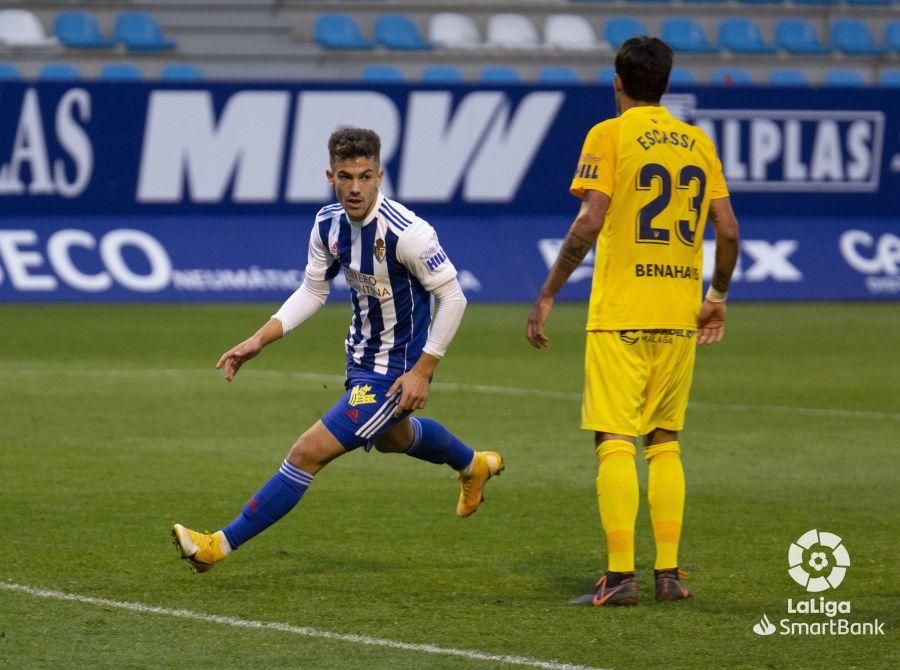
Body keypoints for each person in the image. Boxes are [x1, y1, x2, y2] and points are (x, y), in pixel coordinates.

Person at [173, 128, 504, 574]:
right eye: (345, 176)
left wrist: (423, 370)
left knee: (306, 452)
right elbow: (312, 291)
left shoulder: (409, 234)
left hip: (395, 372)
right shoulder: (328, 224)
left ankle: (216, 545)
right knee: (395, 439)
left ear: (379, 176)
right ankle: (473, 464)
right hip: (360, 361)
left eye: (365, 177)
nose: (355, 188)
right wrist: (257, 340)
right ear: (331, 175)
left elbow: (455, 297)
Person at [525, 37, 739, 606]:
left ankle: (620, 578)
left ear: (617, 82)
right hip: (677, 312)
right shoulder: (697, 142)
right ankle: (668, 575)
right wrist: (715, 295)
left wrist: (548, 293)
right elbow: (729, 230)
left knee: (614, 438)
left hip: (621, 311)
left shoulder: (609, 133)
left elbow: (591, 220)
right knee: (664, 441)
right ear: (665, 85)